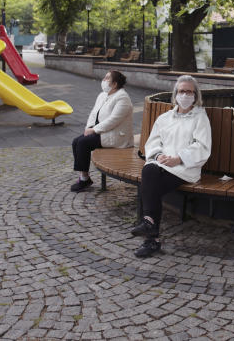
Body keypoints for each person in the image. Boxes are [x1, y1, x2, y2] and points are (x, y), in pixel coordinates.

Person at [130, 75, 212, 258]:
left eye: (189, 91)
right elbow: (153, 141)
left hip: (185, 167)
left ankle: (151, 236)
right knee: (150, 172)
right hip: (161, 165)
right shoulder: (164, 117)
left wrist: (179, 158)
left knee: (149, 183)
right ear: (175, 95)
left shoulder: (200, 117)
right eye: (181, 91)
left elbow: (202, 146)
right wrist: (158, 155)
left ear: (195, 95)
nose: (185, 95)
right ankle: (150, 228)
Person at [70, 70, 134, 192]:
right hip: (102, 131)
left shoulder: (123, 98)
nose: (103, 80)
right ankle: (84, 177)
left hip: (116, 135)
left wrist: (94, 130)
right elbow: (93, 114)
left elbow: (113, 120)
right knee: (76, 141)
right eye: (104, 78)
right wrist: (89, 127)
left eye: (107, 78)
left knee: (83, 143)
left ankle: (84, 180)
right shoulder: (103, 95)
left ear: (114, 84)